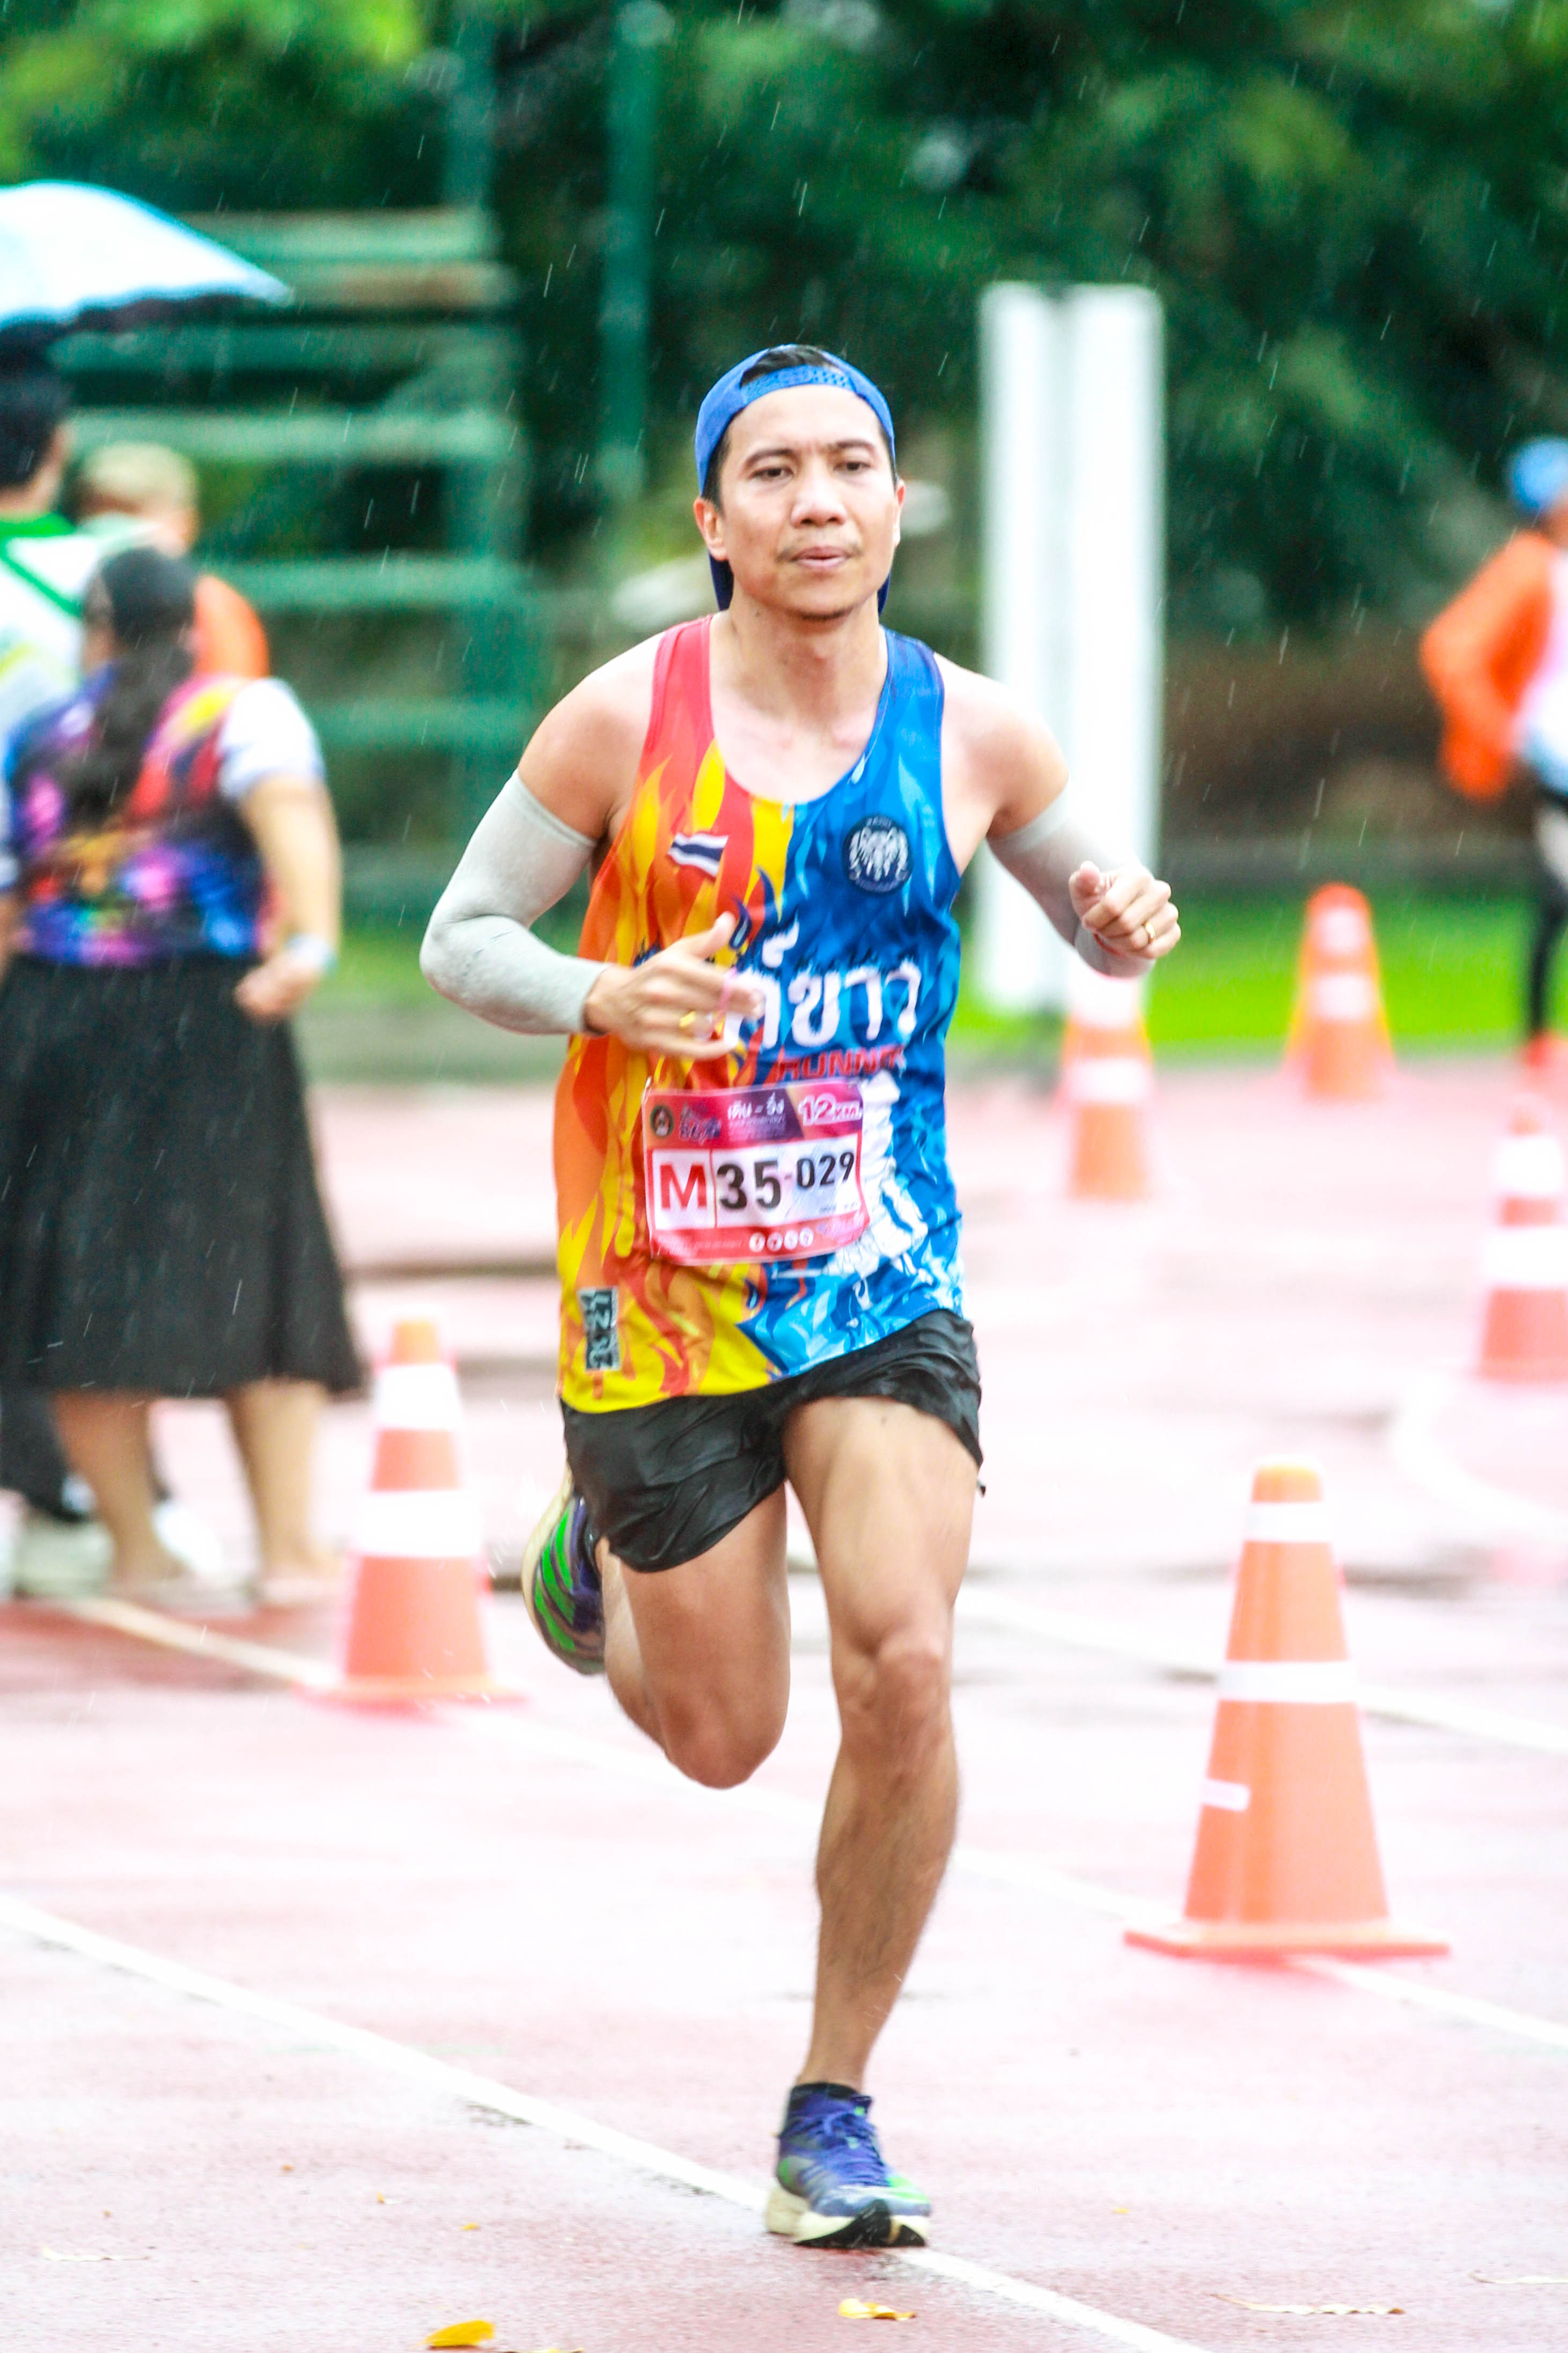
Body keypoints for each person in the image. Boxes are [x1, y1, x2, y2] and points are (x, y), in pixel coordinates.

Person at [422, 345, 1179, 2249]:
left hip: (875, 1274)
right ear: (713, 517)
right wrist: (602, 994)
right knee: (721, 1738)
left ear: (898, 506)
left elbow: (1093, 913)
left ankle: (830, 2104)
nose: (818, 500)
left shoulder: (973, 732)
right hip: (659, 1285)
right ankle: (591, 1563)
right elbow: (460, 936)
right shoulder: (625, 716)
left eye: (852, 466)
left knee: (903, 1658)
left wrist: (1115, 925)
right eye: (773, 472)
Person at [0, 546, 359, 1600]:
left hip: (57, 1021)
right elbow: (293, 826)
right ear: (195, 629)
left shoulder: (37, 734)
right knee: (263, 1274)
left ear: (97, 631)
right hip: (210, 1019)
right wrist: (309, 946)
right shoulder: (243, 716)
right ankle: (287, 1552)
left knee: (78, 1290)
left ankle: (137, 1552)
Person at [0, 355, 128, 1581]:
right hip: (80, 937)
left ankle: (62, 1486)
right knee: (62, 1222)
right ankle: (79, 1495)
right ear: (58, 442)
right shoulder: (116, 577)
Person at [1421, 438, 1568, 1085]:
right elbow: (1450, 649)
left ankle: (1537, 1035)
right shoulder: (1529, 566)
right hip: (1555, 758)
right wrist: (1502, 735)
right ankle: (1536, 1036)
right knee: (1559, 893)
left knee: (1557, 897)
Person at [73, 440, 270, 679]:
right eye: (99, 511)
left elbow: (230, 690)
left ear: (186, 522)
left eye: (132, 512)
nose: (112, 525)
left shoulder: (211, 606)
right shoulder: (70, 588)